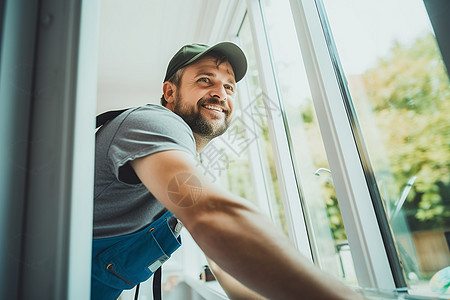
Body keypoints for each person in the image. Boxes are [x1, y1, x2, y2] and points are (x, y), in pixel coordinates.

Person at [92, 42, 362, 300]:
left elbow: (221, 260)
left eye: (229, 86)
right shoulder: (155, 123)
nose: (221, 94)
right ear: (170, 93)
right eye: (205, 80)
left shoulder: (181, 164)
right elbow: (213, 215)